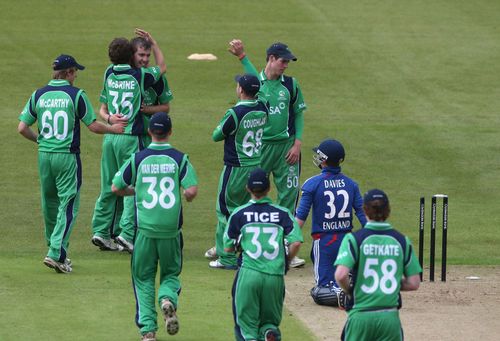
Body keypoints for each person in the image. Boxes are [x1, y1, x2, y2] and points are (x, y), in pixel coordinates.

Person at [17, 54, 125, 273]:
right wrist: (113, 129)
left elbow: (22, 128)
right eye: (75, 71)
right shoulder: (76, 95)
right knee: (68, 204)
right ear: (67, 73)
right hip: (67, 156)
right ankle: (56, 253)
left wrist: (40, 139)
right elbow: (93, 126)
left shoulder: (38, 94)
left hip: (44, 155)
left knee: (50, 204)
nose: (76, 75)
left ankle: (55, 248)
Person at [112, 112, 198, 341]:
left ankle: (148, 331)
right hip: (171, 232)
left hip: (145, 232)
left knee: (142, 278)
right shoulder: (180, 158)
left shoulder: (138, 158)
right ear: (170, 132)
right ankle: (167, 299)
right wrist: (186, 197)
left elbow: (116, 187)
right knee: (171, 273)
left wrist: (134, 191)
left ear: (150, 131)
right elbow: (191, 191)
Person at [228, 39, 307, 268]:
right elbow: (255, 74)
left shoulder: (291, 85)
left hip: (286, 149)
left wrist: (298, 143)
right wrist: (242, 56)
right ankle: (238, 239)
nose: (286, 65)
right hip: (261, 148)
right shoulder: (256, 83)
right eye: (283, 60)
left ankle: (284, 245)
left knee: (288, 196)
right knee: (248, 193)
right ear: (271, 59)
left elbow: (299, 114)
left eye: (288, 61)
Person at [91, 28, 167, 251]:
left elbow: (103, 109)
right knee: (130, 184)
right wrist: (154, 42)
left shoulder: (108, 72)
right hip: (130, 138)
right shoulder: (140, 76)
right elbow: (162, 67)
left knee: (108, 185)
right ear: (132, 55)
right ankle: (127, 234)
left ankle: (101, 231)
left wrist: (108, 117)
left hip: (110, 136)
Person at [224, 168, 303, 341]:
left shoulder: (239, 214)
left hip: (249, 273)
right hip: (275, 276)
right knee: (270, 323)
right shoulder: (283, 214)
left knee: (246, 327)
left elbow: (227, 247)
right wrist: (287, 260)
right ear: (269, 189)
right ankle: (268, 334)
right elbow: (296, 242)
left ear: (247, 188)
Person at [334, 189, 421, 341]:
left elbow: (340, 275)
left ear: (365, 210)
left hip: (360, 316)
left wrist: (350, 290)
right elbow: (414, 283)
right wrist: (390, 283)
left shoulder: (354, 239)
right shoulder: (402, 241)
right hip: (389, 318)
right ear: (388, 210)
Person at [206, 74, 269, 270]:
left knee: (225, 211)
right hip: (256, 166)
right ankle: (229, 247)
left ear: (240, 90)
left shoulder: (235, 113)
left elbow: (216, 135)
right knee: (246, 208)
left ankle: (227, 257)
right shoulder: (263, 108)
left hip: (235, 168)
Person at [295, 139, 366, 306]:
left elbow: (300, 218)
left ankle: (345, 296)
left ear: (324, 160)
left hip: (324, 241)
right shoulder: (351, 184)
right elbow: (363, 214)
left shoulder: (312, 184)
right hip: (348, 241)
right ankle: (356, 292)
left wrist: (287, 240)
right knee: (345, 276)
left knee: (320, 290)